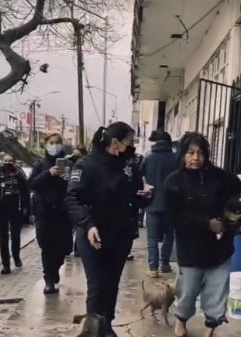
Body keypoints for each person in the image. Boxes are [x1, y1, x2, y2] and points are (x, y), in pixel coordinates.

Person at [66, 122, 152, 337]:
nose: (132, 147)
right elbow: (72, 198)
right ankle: (92, 330)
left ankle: (106, 325)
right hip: (93, 232)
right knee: (97, 284)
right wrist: (87, 224)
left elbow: (134, 198)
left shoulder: (129, 166)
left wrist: (147, 196)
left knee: (112, 282)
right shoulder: (86, 165)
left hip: (121, 233)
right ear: (115, 143)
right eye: (130, 142)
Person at [164, 132, 241, 337]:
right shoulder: (173, 181)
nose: (195, 158)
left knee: (217, 290)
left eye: (200, 153)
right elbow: (175, 216)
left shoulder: (223, 178)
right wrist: (206, 224)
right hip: (190, 246)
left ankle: (210, 328)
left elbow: (240, 198)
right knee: (187, 290)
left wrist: (233, 217)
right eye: (190, 153)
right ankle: (181, 320)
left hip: (220, 246)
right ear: (183, 154)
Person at [29, 133, 73, 294]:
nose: (54, 145)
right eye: (51, 143)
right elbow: (32, 183)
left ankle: (55, 269)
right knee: (46, 247)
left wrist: (68, 178)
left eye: (57, 143)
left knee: (63, 248)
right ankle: (48, 279)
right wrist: (48, 173)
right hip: (44, 212)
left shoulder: (68, 163)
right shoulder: (40, 165)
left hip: (62, 214)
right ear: (46, 145)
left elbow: (76, 186)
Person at [140, 130, 176, 278]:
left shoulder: (149, 158)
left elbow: (139, 176)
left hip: (152, 203)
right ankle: (165, 264)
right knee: (169, 235)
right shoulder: (176, 159)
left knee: (152, 239)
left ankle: (153, 268)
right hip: (172, 205)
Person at [0, 154, 30, 274]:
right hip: (1, 212)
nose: (8, 163)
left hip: (15, 210)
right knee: (3, 238)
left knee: (16, 236)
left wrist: (27, 208)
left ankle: (16, 257)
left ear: (14, 162)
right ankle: (5, 264)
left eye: (10, 161)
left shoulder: (19, 177)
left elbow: (25, 193)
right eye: (6, 161)